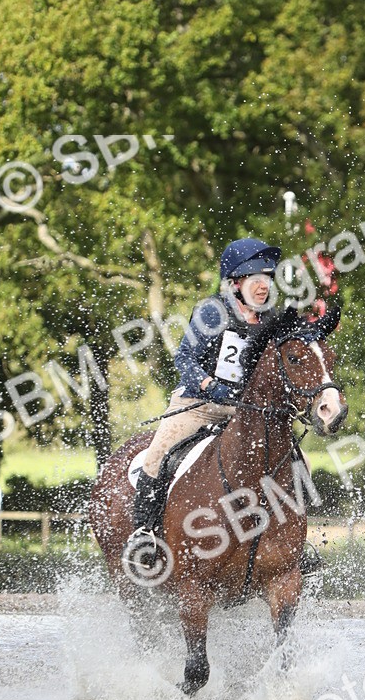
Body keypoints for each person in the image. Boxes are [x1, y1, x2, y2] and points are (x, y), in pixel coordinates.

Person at [125, 237, 310, 565]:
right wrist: (211, 384)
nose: (263, 287)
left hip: (247, 412)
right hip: (199, 405)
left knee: (299, 460)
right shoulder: (213, 312)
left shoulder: (272, 320)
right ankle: (144, 534)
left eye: (267, 279)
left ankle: (294, 541)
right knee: (157, 455)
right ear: (236, 284)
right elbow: (184, 358)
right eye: (256, 280)